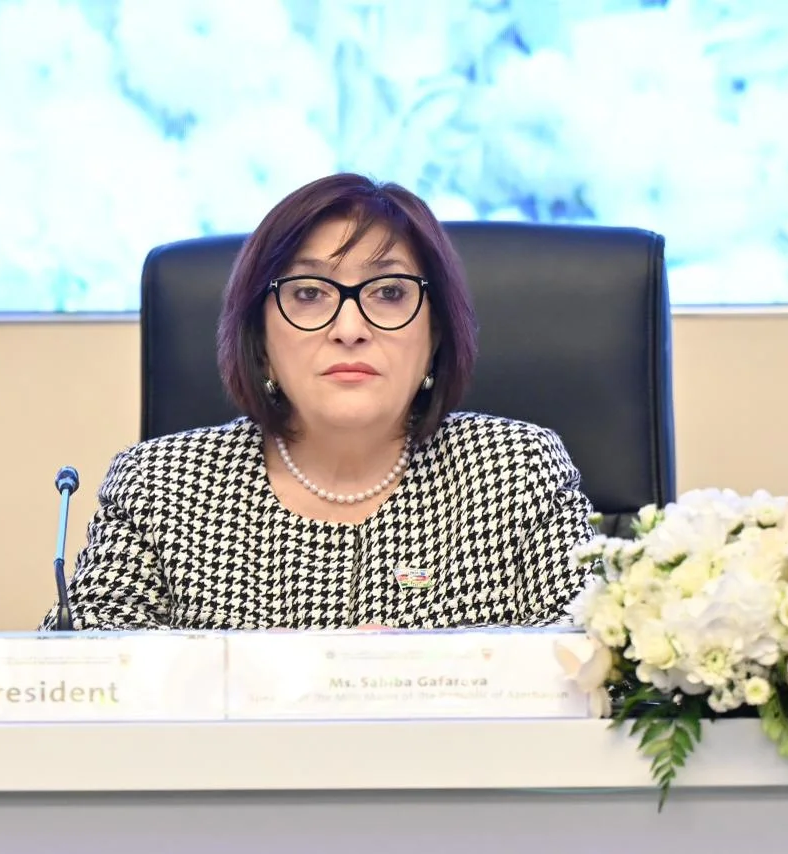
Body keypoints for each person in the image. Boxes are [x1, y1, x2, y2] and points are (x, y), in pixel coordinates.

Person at [42, 173, 596, 632]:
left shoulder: (517, 472)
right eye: (309, 293)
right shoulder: (161, 487)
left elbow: (598, 664)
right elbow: (86, 677)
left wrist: (427, 671)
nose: (350, 328)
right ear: (260, 340)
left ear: (436, 335)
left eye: (389, 292)